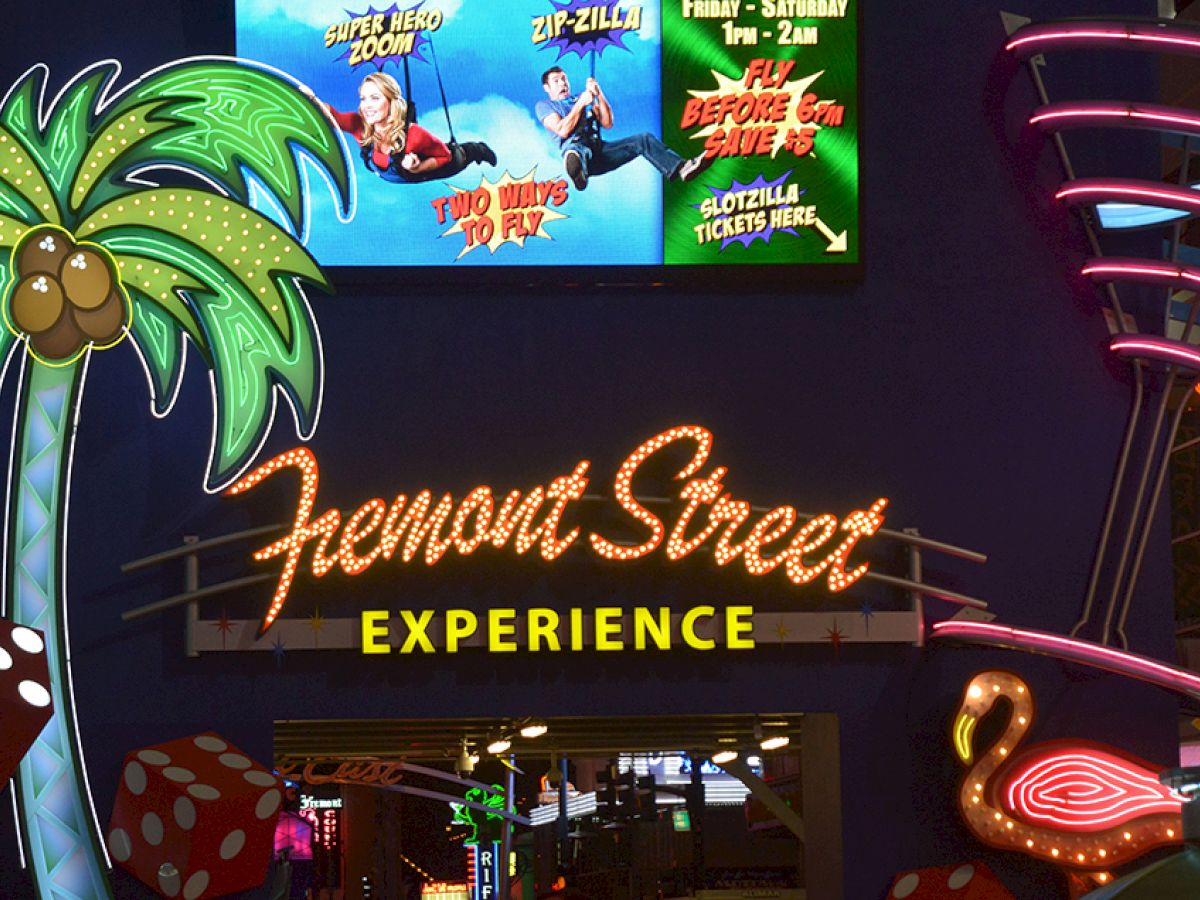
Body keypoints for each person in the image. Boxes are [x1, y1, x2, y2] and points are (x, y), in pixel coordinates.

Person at [536, 66, 709, 191]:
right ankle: (578, 171)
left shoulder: (583, 97)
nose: (562, 84)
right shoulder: (545, 106)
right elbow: (562, 130)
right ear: (547, 87)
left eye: (564, 79)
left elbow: (607, 123)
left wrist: (598, 93)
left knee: (643, 139)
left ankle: (682, 168)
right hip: (578, 150)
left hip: (600, 151)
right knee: (575, 150)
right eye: (556, 81)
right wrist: (582, 103)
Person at [304, 72, 495, 184]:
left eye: (375, 98)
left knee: (463, 153)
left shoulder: (415, 135)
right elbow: (332, 117)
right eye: (363, 98)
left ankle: (477, 149)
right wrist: (311, 99)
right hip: (406, 152)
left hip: (447, 162)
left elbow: (444, 156)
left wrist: (419, 167)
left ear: (390, 102)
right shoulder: (360, 127)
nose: (367, 105)